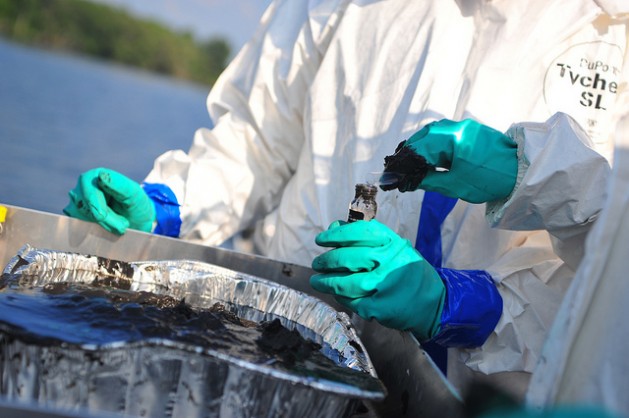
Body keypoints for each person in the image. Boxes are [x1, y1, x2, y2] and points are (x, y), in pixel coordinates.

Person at [63, 0, 629, 402]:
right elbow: (256, 140)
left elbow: (608, 288)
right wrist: (170, 204)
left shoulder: (614, 28)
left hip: (474, 395)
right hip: (278, 355)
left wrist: (468, 308)